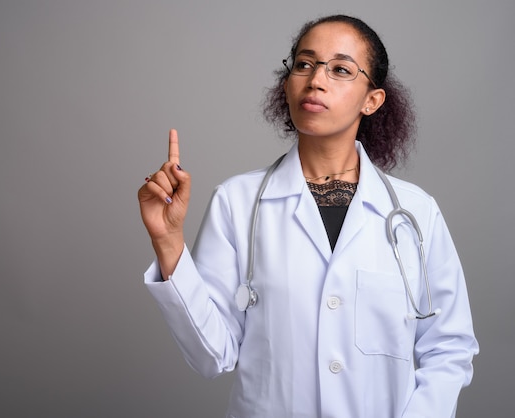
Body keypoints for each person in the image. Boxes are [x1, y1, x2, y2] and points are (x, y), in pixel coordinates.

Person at [137, 14, 478, 418]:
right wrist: (168, 240)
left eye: (340, 69)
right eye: (304, 64)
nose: (316, 79)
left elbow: (448, 349)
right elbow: (212, 355)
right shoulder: (237, 202)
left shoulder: (415, 213)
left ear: (372, 100)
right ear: (287, 83)